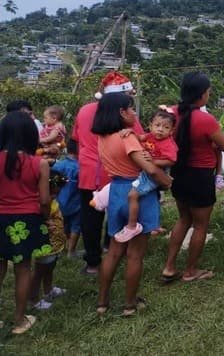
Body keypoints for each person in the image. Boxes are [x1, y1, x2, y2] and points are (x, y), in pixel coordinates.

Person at [92, 92, 172, 316]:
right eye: (130, 109)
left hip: (116, 192)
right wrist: (166, 181)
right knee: (135, 254)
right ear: (121, 112)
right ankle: (129, 304)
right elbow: (150, 168)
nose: (134, 113)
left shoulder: (103, 137)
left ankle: (102, 302)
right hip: (137, 192)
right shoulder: (126, 139)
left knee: (113, 252)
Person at [161, 72, 224, 283]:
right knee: (200, 225)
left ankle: (169, 266)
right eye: (208, 92)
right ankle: (191, 271)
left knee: (183, 219)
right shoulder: (206, 120)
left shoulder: (170, 114)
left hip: (178, 173)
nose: (209, 95)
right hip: (200, 176)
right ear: (201, 95)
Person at [71, 71, 143, 276]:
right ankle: (112, 249)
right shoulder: (124, 114)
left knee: (90, 217)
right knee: (119, 213)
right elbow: (138, 138)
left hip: (88, 173)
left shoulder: (85, 111)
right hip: (117, 174)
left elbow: (75, 139)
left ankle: (93, 263)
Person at [0, 111, 50, 334]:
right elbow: (45, 200)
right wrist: (46, 218)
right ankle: (19, 321)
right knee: (23, 270)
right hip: (27, 221)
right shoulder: (39, 163)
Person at [113, 109, 177, 243]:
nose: (160, 130)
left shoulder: (168, 144)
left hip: (155, 173)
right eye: (157, 125)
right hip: (146, 171)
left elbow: (171, 161)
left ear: (171, 131)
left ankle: (132, 226)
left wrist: (153, 161)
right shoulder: (150, 136)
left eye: (166, 127)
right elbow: (140, 137)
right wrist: (130, 132)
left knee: (132, 195)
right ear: (151, 125)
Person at [29, 172, 67, 310]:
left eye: (57, 193)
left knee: (50, 266)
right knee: (39, 271)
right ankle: (33, 299)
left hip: (54, 244)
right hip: (45, 243)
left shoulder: (51, 200)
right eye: (52, 193)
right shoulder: (40, 203)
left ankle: (48, 289)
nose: (54, 196)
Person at [51, 138, 81, 257]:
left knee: (62, 226)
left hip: (60, 203)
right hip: (76, 204)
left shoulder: (58, 165)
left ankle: (61, 249)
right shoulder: (80, 168)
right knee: (76, 227)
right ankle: (71, 251)